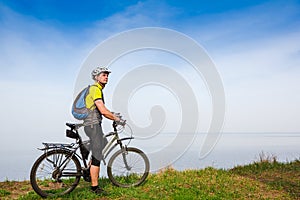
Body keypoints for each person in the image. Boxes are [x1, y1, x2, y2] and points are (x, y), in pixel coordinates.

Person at [84, 66, 120, 195]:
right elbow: (103, 111)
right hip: (93, 125)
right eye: (103, 75)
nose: (106, 77)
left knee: (103, 143)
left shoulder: (96, 89)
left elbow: (103, 110)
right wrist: (116, 118)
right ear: (96, 77)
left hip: (92, 125)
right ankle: (95, 187)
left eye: (107, 75)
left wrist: (114, 114)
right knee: (97, 156)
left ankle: (89, 168)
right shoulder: (95, 89)